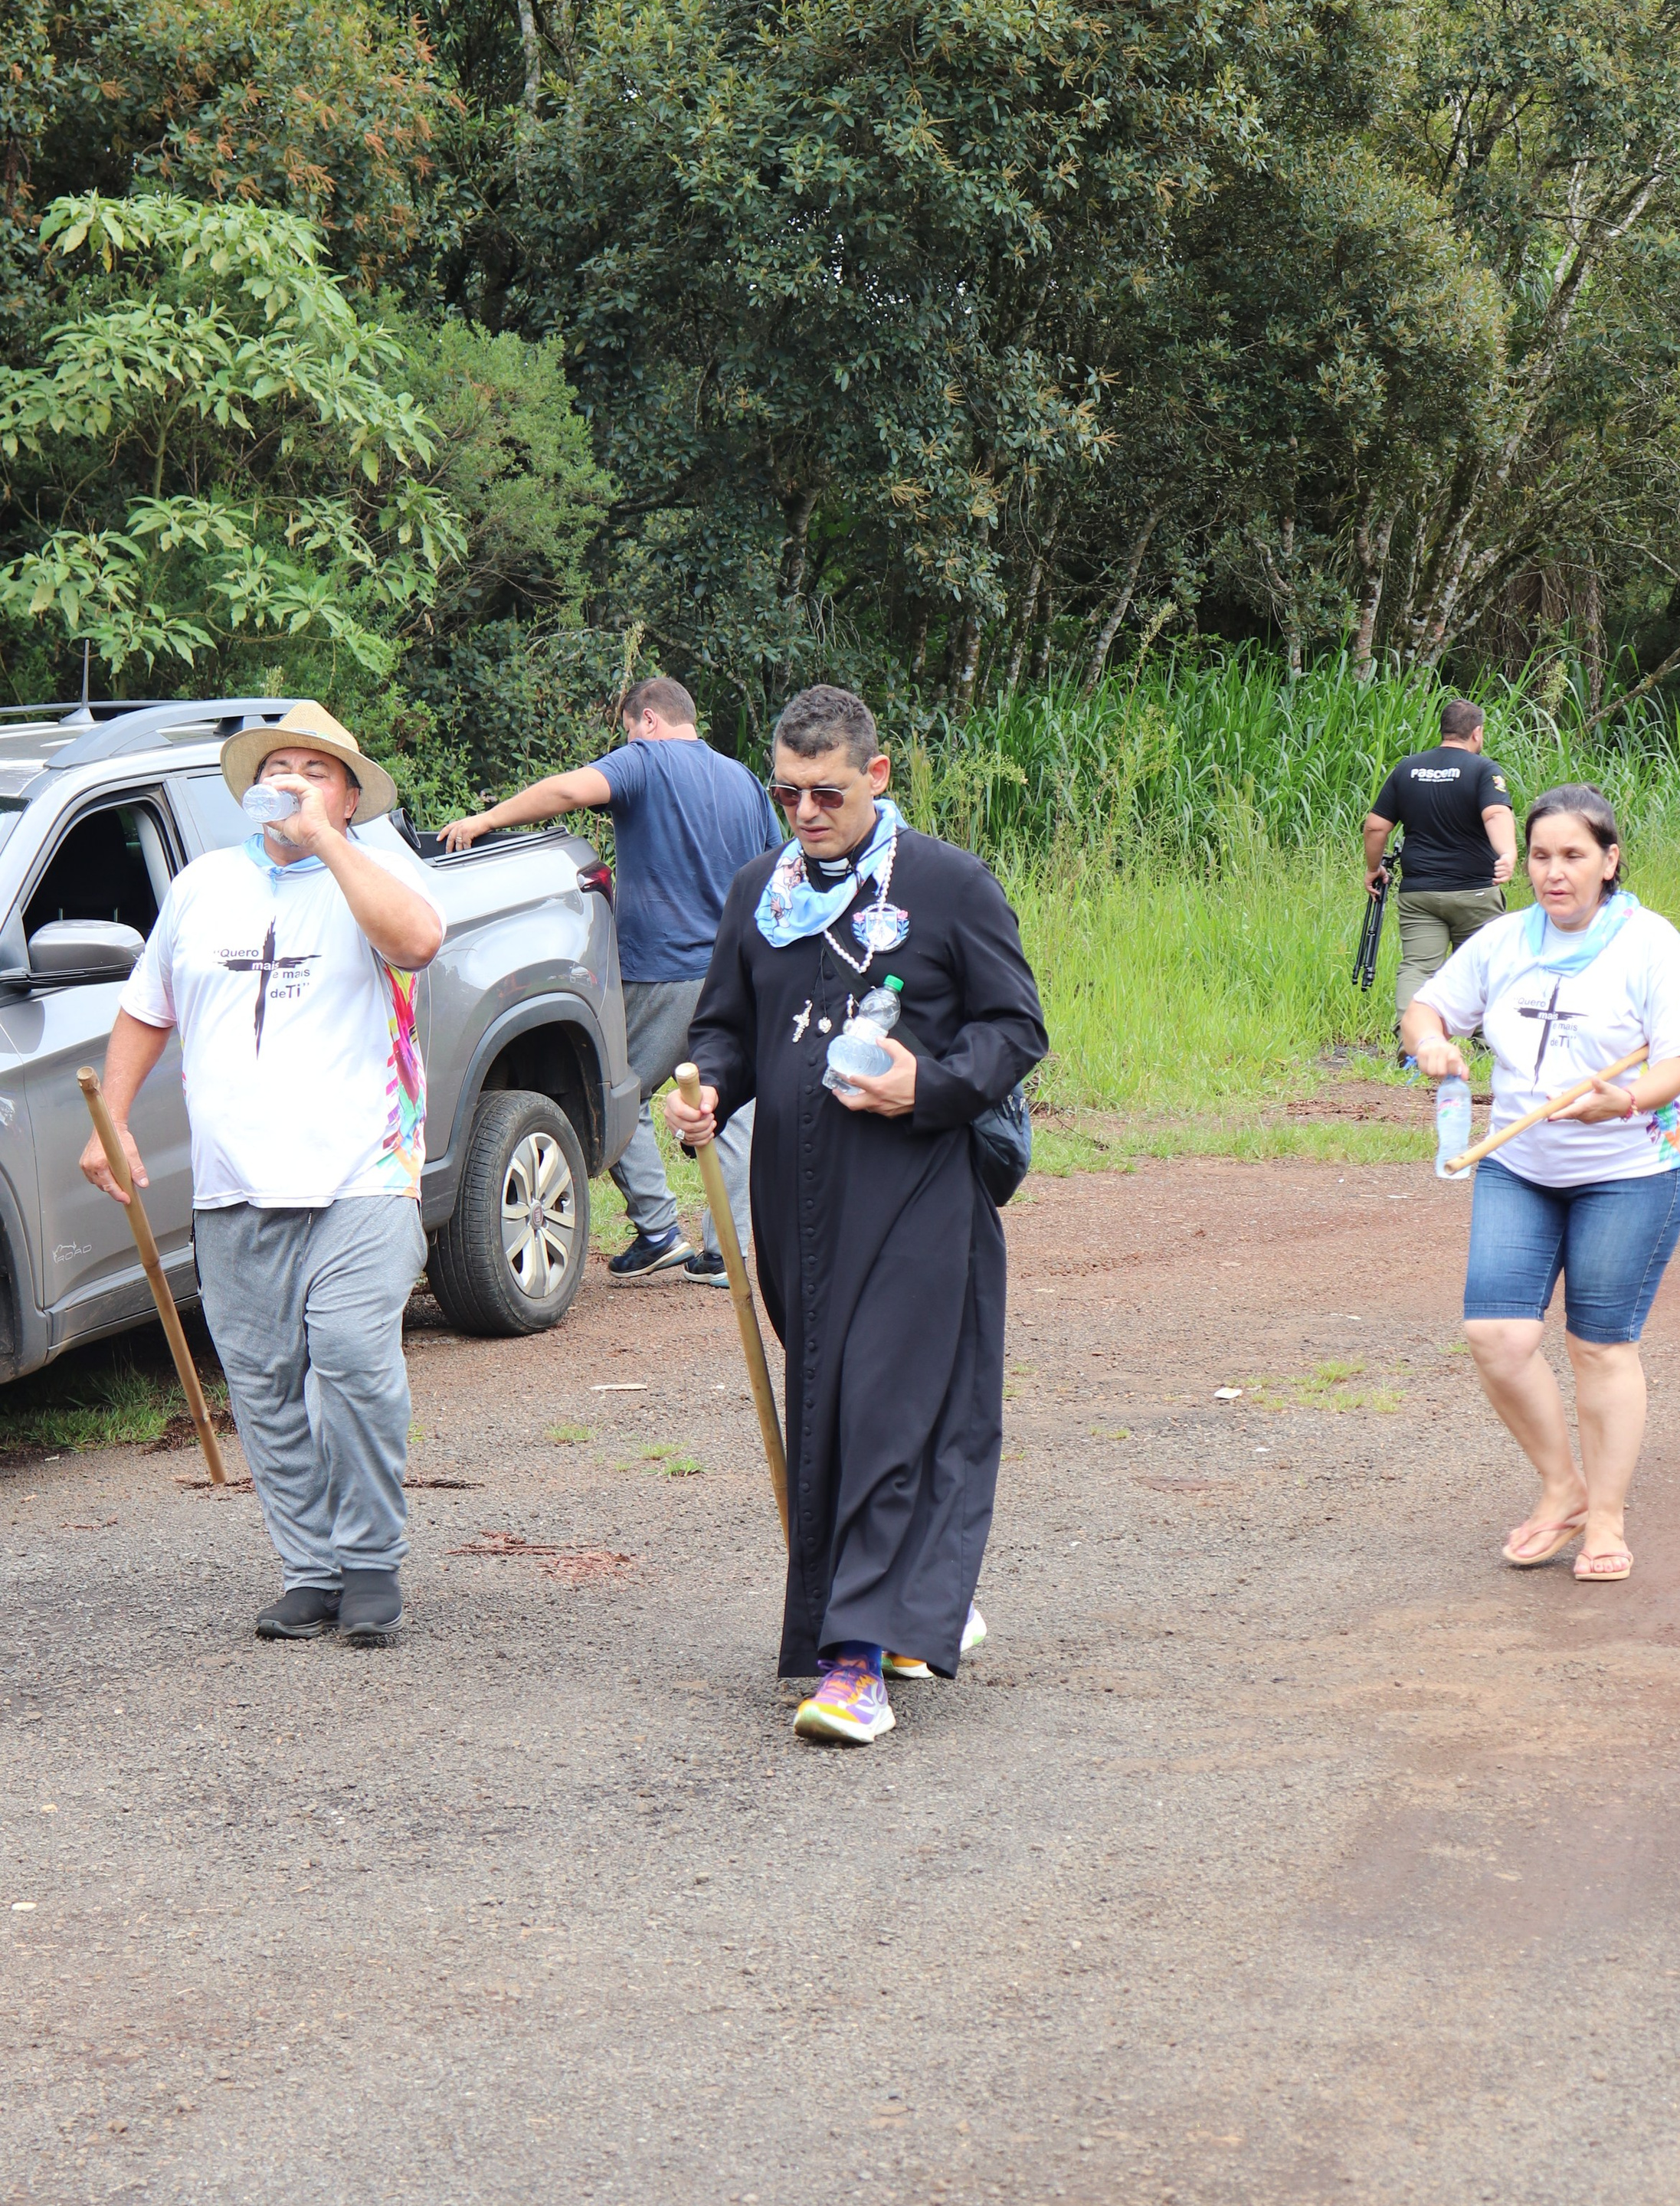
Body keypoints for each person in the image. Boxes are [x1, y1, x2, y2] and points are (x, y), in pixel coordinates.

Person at [666, 683, 1046, 1746]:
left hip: (922, 1189)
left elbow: (1015, 1029)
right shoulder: (759, 891)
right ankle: (920, 1602)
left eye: (825, 792)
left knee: (881, 1412)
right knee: (835, 1404)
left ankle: (853, 1666)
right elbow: (726, 1032)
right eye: (787, 792)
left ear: (875, 777)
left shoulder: (950, 885)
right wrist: (704, 1089)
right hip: (795, 1201)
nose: (805, 813)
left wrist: (924, 1087)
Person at [80, 706, 447, 1646]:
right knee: (265, 1386)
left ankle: (369, 1562)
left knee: (354, 1362)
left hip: (363, 1173)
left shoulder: (376, 865)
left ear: (351, 795)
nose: (289, 781)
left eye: (314, 772)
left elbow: (415, 943)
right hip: (233, 1184)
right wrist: (112, 1121)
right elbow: (145, 1007)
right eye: (276, 767)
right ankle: (310, 1569)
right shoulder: (204, 885)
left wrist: (326, 841)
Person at [1403, 784, 1680, 1585]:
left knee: (1599, 1346)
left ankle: (1605, 1519)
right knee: (1496, 1339)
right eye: (1541, 856)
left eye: (1573, 856)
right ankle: (1561, 1490)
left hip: (1632, 1169)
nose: (1554, 873)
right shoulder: (1503, 941)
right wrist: (1431, 1042)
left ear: (1609, 861)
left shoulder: (1651, 943)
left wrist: (1629, 1098)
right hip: (1519, 1163)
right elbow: (1426, 1007)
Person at [442, 674, 776, 1285]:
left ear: (648, 719)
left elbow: (571, 790)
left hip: (663, 972)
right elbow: (775, 871)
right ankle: (731, 1253)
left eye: (626, 730)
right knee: (730, 1101)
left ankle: (656, 1229)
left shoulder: (645, 761)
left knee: (614, 1088)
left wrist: (488, 819)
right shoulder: (745, 780)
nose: (626, 741)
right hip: (738, 970)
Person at [1364, 700, 1518, 1021]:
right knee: (1481, 966)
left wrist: (1373, 867)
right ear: (1477, 733)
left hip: (1420, 893)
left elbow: (1376, 825)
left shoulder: (1407, 768)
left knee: (1418, 967)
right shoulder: (1484, 769)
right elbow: (1495, 812)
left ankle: (1412, 1038)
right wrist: (1508, 854)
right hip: (1474, 891)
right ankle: (1485, 1042)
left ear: (1443, 730)